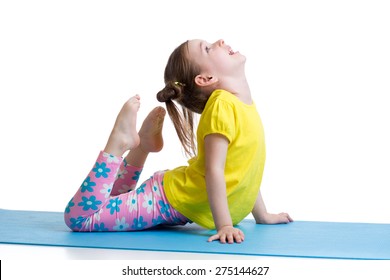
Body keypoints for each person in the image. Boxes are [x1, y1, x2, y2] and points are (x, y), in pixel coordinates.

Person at [64, 39, 293, 244]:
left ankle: (142, 146)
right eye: (208, 48)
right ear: (205, 79)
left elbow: (245, 169)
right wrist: (224, 225)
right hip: (165, 200)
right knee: (81, 218)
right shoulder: (222, 106)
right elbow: (215, 170)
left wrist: (262, 215)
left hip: (177, 196)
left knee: (108, 200)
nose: (220, 41)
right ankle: (118, 145)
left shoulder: (245, 105)